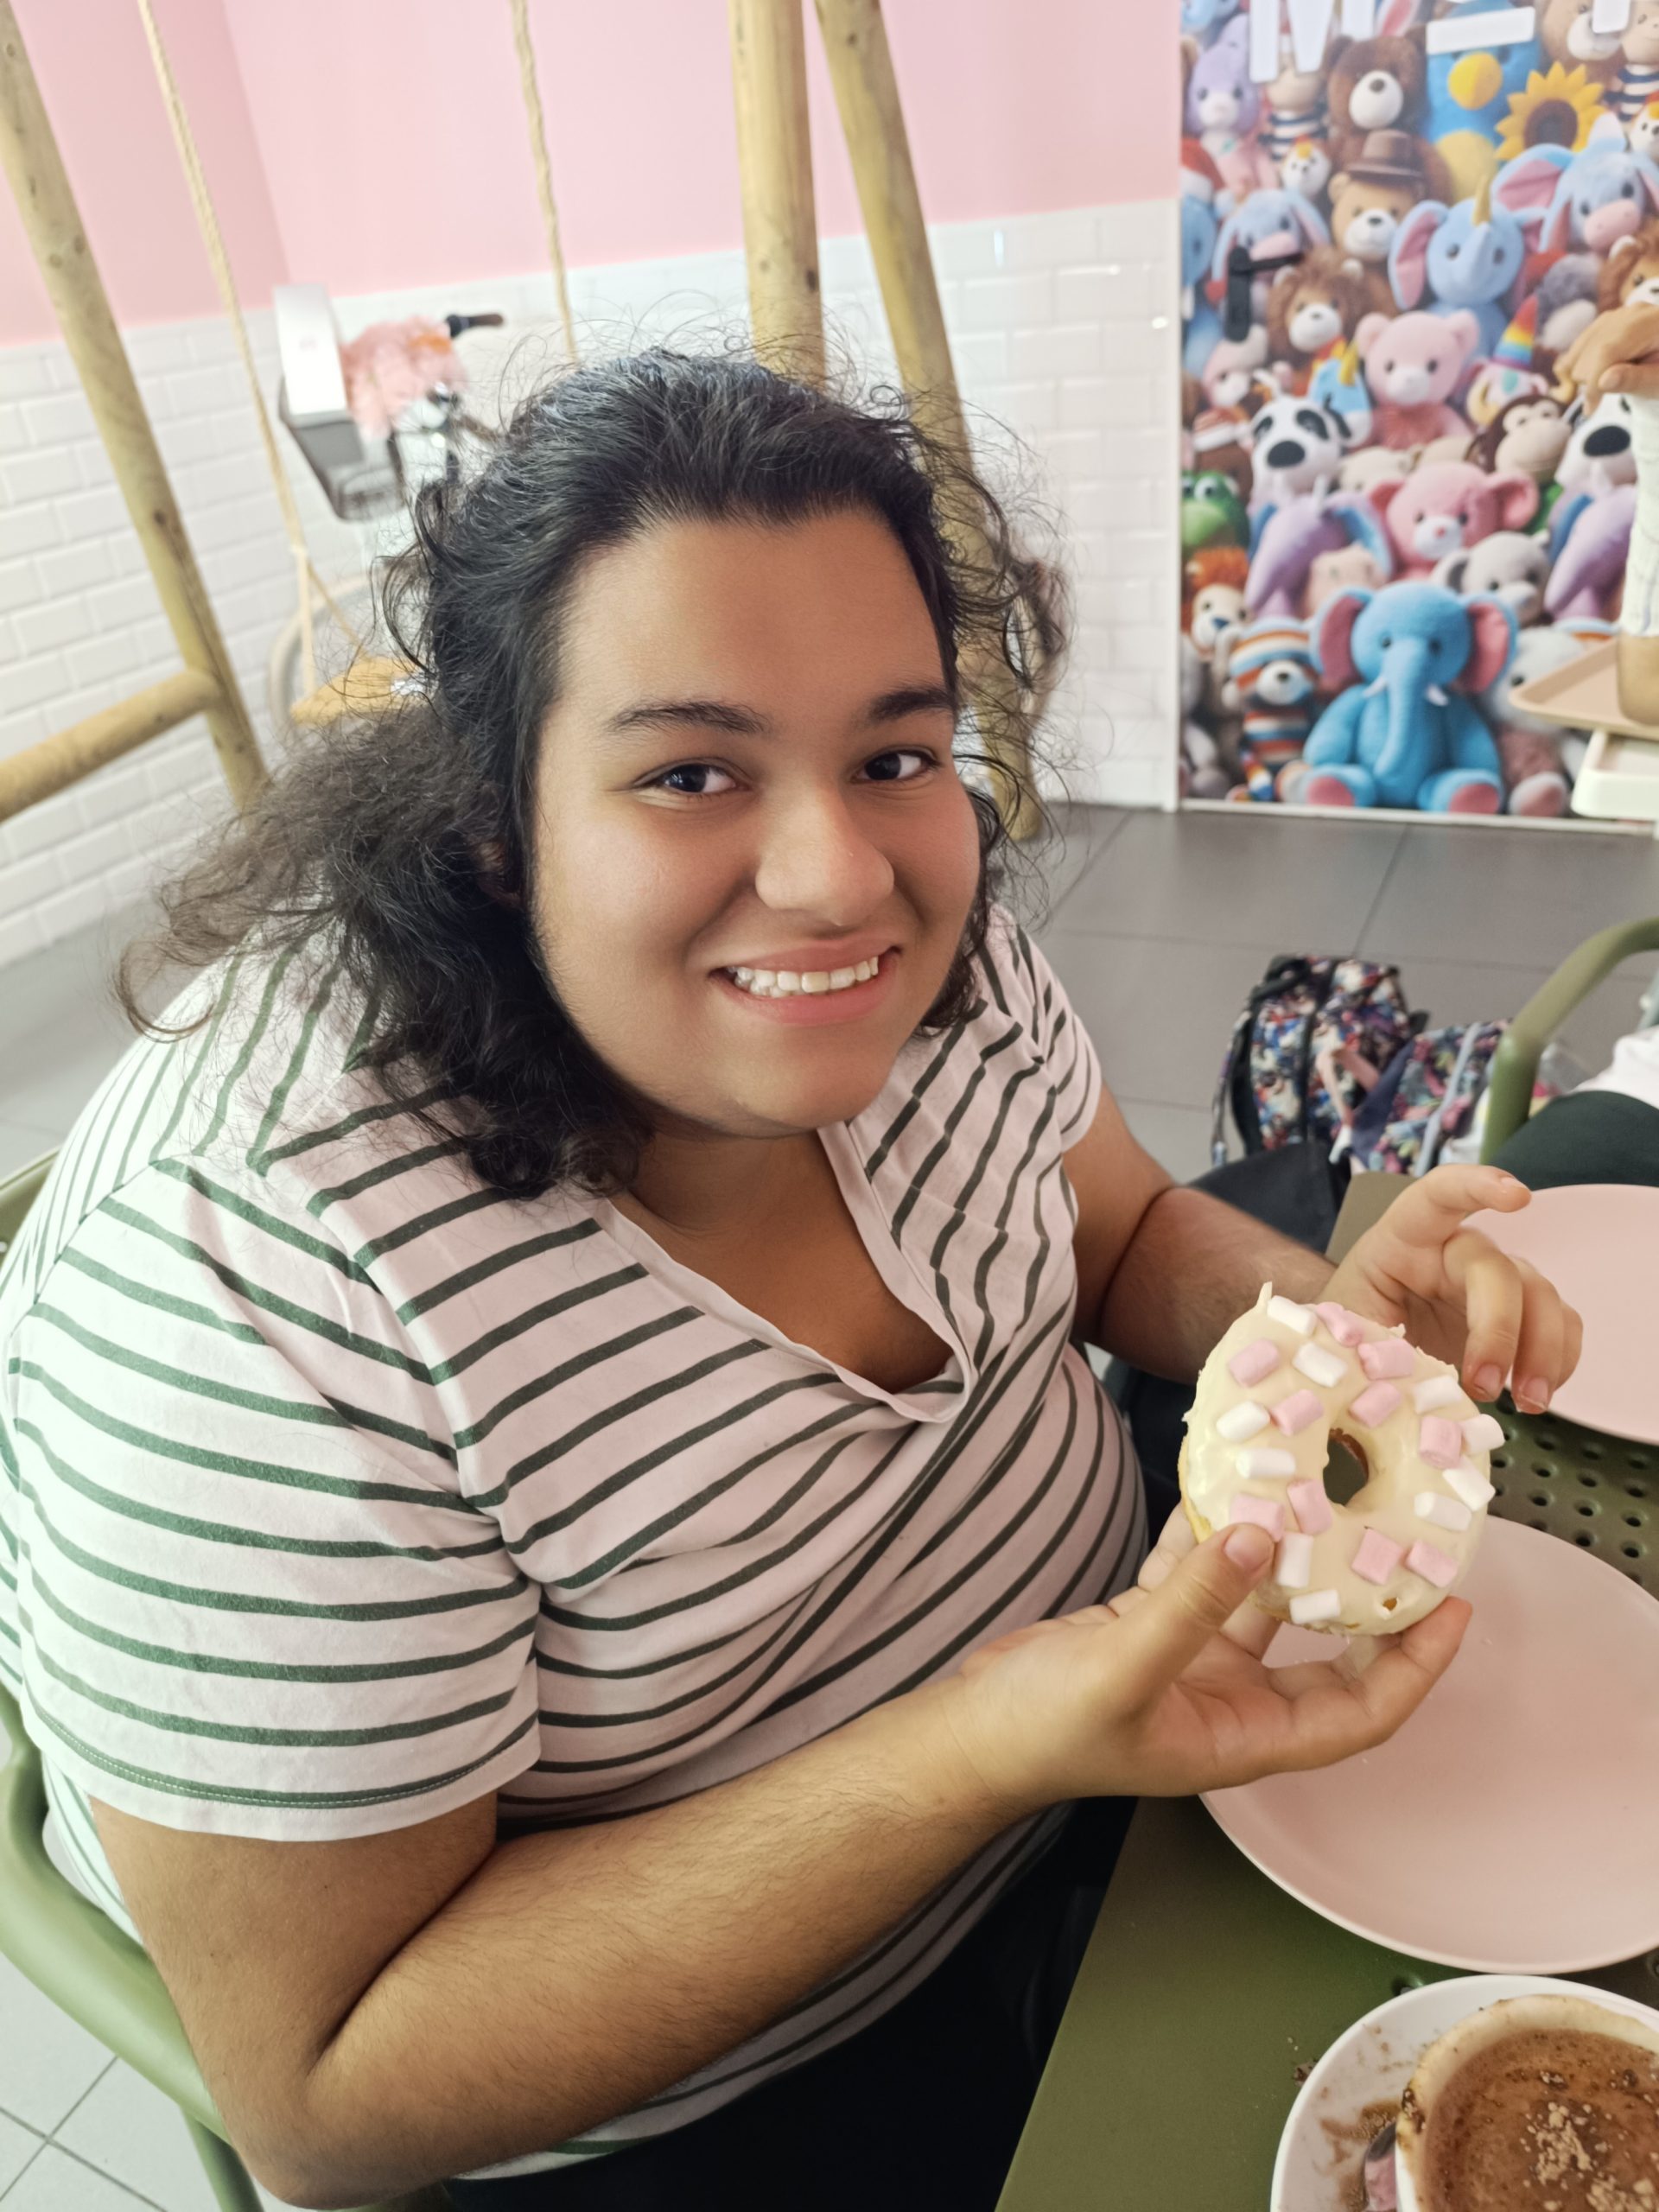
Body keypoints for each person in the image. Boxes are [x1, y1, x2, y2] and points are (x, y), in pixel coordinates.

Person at [0, 353, 1580, 2212]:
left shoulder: (931, 954)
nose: (841, 879)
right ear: (493, 821)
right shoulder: (251, 1285)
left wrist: (1313, 1336)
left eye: (895, 754)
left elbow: (1125, 1237)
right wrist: (979, 1748)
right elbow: (329, 2092)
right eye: (692, 773)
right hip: (747, 2087)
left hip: (1137, 1787)